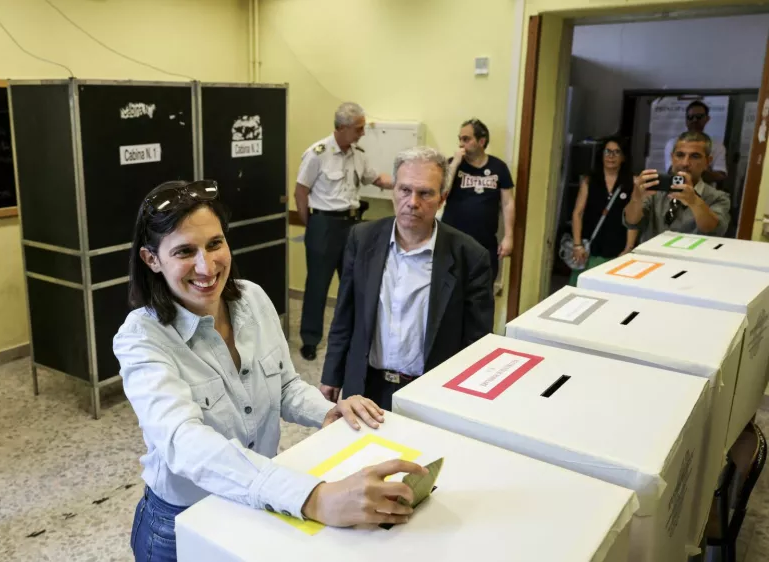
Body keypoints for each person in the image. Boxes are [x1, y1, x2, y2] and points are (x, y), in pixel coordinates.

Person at [114, 180, 427, 562]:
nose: (206, 266)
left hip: (256, 499)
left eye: (215, 244)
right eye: (184, 251)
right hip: (180, 523)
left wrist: (328, 411)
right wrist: (312, 497)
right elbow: (184, 441)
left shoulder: (252, 299)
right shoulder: (141, 337)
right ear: (151, 260)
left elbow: (286, 386)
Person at [319, 147, 495, 411]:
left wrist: (465, 404)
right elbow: (345, 313)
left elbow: (476, 343)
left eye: (425, 193)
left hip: (430, 392)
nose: (412, 202)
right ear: (394, 191)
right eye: (404, 190)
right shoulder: (362, 239)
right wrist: (332, 374)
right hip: (366, 387)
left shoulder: (470, 256)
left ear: (442, 198)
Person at [294, 102, 394, 362]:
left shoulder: (359, 154)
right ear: (341, 127)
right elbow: (300, 192)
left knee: (353, 284)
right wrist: (313, 226)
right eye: (358, 128)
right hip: (324, 225)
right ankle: (310, 339)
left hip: (353, 226)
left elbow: (377, 179)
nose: (362, 133)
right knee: (317, 285)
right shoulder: (318, 153)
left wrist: (404, 182)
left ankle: (353, 338)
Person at [441, 118, 515, 284]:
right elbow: (442, 192)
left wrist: (509, 236)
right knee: (450, 291)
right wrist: (455, 164)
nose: (461, 144)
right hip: (452, 242)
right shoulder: (452, 164)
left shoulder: (499, 167)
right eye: (460, 139)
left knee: (482, 292)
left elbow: (508, 203)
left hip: (484, 243)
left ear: (482, 141)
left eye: (466, 139)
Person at [626, 131, 731, 243]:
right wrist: (636, 198)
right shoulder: (655, 191)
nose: (685, 163)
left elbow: (712, 229)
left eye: (695, 156)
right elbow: (632, 222)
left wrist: (694, 201)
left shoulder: (718, 197)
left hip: (691, 259)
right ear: (672, 158)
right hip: (653, 257)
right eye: (680, 155)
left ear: (707, 162)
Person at [568, 136, 638, 285]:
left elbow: (634, 220)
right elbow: (577, 213)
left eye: (616, 152)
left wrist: (628, 248)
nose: (611, 156)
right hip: (589, 249)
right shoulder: (589, 180)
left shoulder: (632, 183)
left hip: (617, 249)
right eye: (607, 151)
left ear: (623, 157)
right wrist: (577, 244)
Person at [663, 101, 728, 185]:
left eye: (699, 117)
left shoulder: (717, 146)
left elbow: (720, 175)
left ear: (707, 119)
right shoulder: (673, 143)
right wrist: (702, 170)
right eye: (690, 117)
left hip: (705, 195)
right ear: (686, 120)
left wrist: (689, 171)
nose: (694, 120)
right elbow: (671, 171)